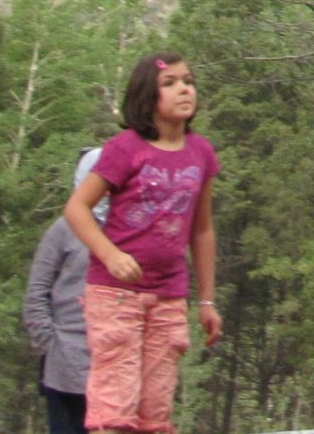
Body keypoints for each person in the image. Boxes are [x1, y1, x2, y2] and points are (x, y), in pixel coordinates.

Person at [65, 56, 221, 434]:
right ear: (147, 96)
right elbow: (77, 208)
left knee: (155, 414)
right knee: (114, 411)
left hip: (168, 296)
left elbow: (201, 231)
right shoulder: (125, 147)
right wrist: (111, 254)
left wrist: (207, 300)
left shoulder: (200, 152)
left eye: (189, 81)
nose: (185, 89)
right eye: (170, 83)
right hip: (116, 296)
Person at [21, 150, 104, 434]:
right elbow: (36, 292)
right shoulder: (63, 229)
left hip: (115, 367)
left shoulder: (130, 231)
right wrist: (50, 345)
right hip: (65, 365)